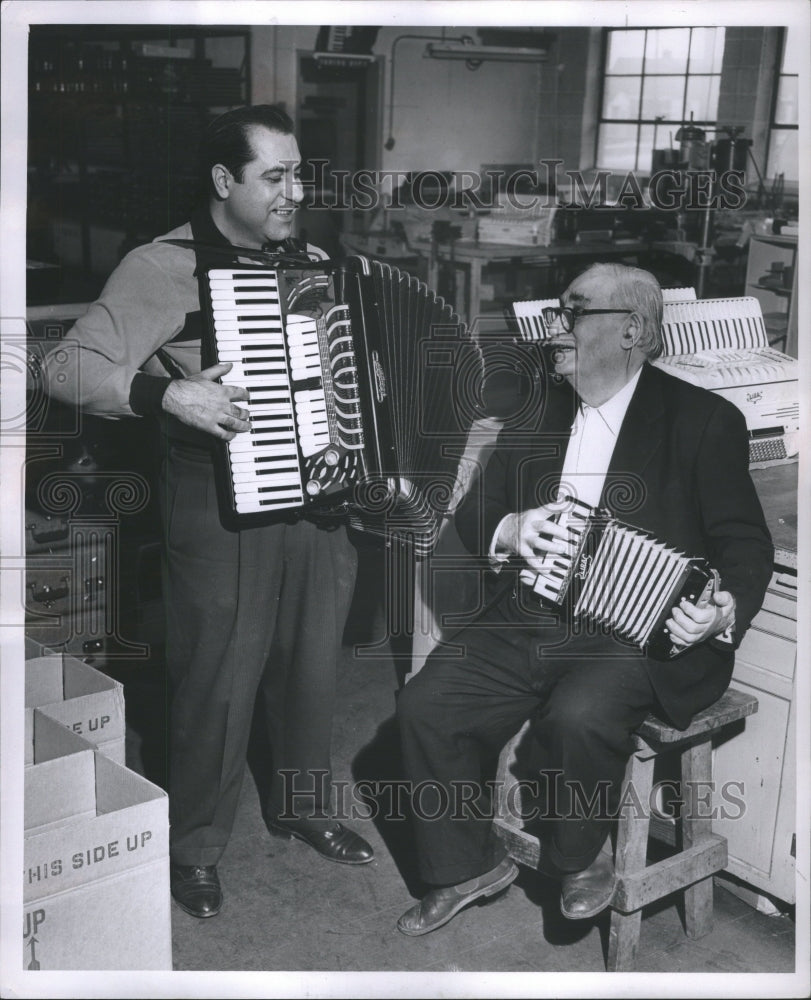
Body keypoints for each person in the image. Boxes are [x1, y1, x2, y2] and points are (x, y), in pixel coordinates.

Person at [43, 105, 374, 920]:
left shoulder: (314, 259)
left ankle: (300, 804)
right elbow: (64, 366)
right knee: (216, 681)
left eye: (298, 173)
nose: (294, 191)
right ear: (225, 182)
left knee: (311, 668)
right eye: (275, 177)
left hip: (316, 497)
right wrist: (168, 393)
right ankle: (194, 847)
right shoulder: (162, 266)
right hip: (215, 501)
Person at [395, 262, 773, 935]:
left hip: (633, 635)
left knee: (579, 716)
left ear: (630, 330)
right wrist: (509, 528)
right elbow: (479, 510)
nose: (553, 327)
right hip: (531, 612)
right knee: (425, 704)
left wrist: (722, 609)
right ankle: (466, 865)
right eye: (556, 311)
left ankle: (579, 856)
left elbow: (744, 544)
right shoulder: (539, 407)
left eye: (573, 312)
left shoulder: (702, 420)